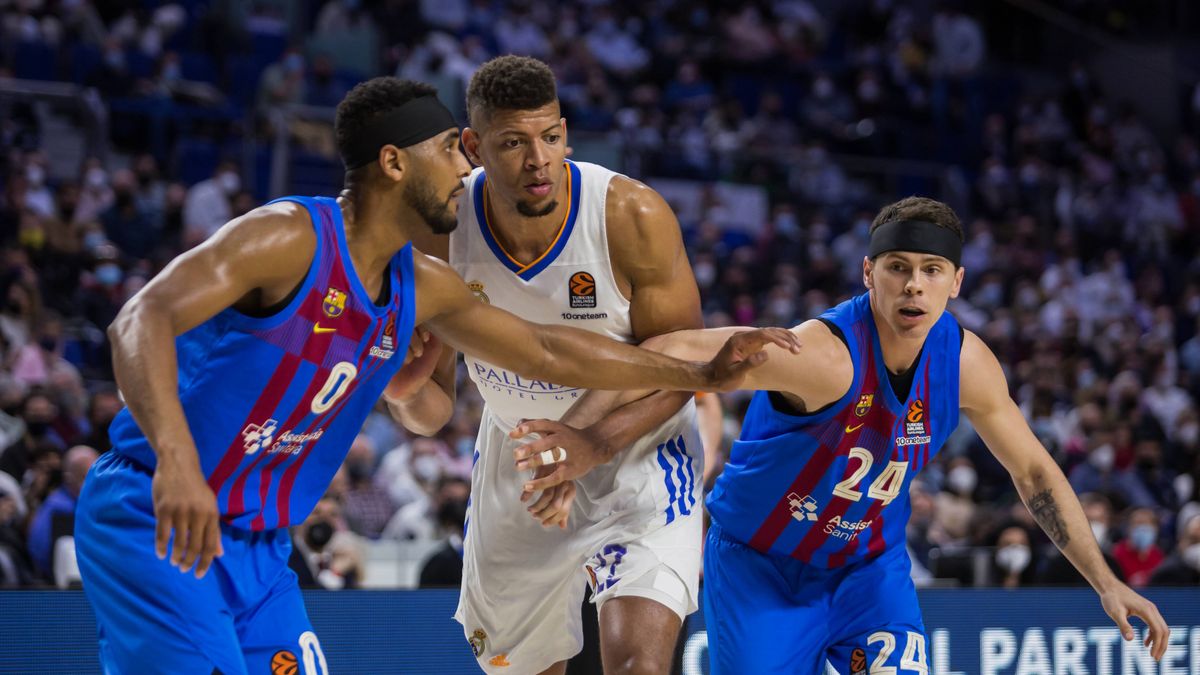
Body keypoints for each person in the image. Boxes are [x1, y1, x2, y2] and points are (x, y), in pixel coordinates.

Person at [73, 76, 794, 675]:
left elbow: (548, 350)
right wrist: (175, 460)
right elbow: (139, 319)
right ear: (394, 163)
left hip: (259, 546)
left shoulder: (420, 284)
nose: (464, 166)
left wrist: (697, 369)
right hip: (161, 509)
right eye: (454, 148)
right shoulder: (290, 234)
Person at [524, 196, 1171, 672]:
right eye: (897, 266)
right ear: (868, 273)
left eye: (932, 269)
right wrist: (579, 439)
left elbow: (1034, 473)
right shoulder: (821, 355)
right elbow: (667, 350)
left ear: (956, 282)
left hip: (868, 568)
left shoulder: (967, 363)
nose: (913, 284)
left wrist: (1107, 582)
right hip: (761, 567)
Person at [396, 55, 714, 675]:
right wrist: (401, 388)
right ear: (474, 146)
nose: (538, 160)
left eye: (549, 137)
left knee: (639, 667)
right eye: (513, 143)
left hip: (637, 450)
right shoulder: (441, 229)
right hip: (519, 456)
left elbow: (682, 368)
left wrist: (592, 443)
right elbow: (429, 413)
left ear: (565, 132)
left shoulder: (630, 215)